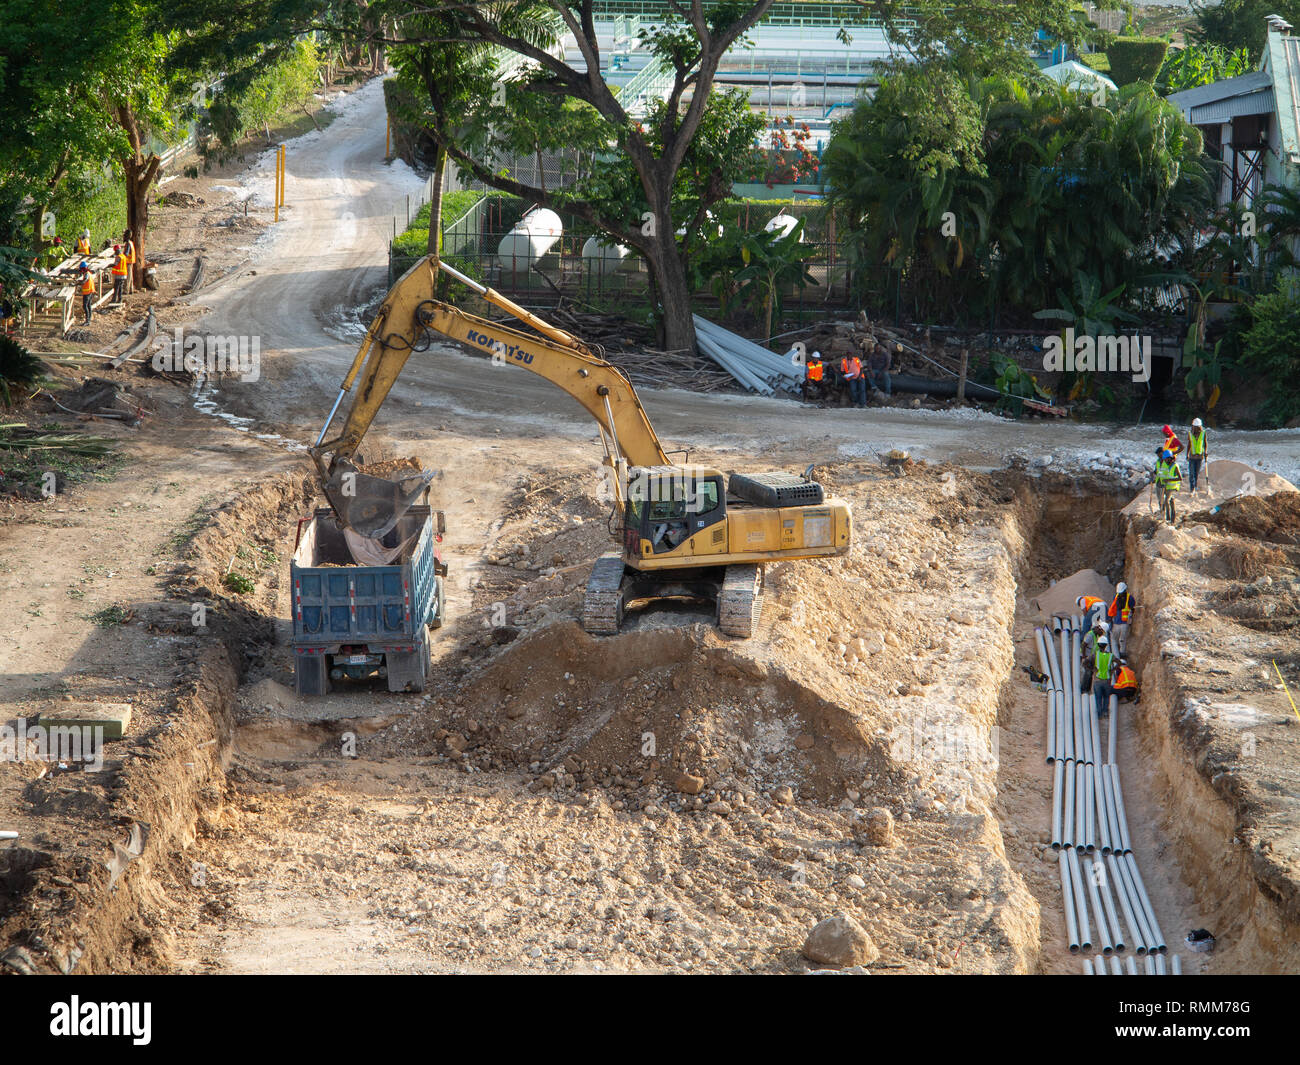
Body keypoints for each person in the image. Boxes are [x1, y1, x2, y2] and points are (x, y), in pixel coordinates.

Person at [1092, 634, 1118, 718]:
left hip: (1097, 680)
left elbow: (1085, 663)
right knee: (1106, 697)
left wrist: (1093, 669)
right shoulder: (1110, 655)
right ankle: (1105, 712)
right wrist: (1112, 670)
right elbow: (1119, 663)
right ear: (1106, 645)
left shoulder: (1095, 655)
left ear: (1098, 645)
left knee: (1098, 698)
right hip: (1107, 680)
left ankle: (1099, 714)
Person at [1154, 448, 1182, 521]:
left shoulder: (1175, 466)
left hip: (1172, 486)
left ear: (1170, 458)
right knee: (1170, 501)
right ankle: (1173, 517)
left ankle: (1168, 518)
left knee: (1166, 501)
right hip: (1166, 485)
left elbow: (1180, 478)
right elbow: (1162, 473)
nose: (1165, 461)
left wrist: (1168, 480)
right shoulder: (1166, 464)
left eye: (1166, 459)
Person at [1108, 581, 1134, 655]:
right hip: (1118, 622)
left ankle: (1121, 653)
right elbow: (1113, 608)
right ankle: (1116, 653)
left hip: (1123, 622)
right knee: (1116, 639)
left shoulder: (1129, 598)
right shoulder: (1117, 597)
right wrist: (1110, 617)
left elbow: (1131, 607)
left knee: (1121, 640)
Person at [1187, 418, 1208, 494]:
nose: (1195, 428)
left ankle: (1195, 485)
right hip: (1192, 456)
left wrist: (1205, 452)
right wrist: (1187, 454)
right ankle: (1191, 488)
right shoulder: (1190, 433)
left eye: (1197, 427)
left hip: (1199, 457)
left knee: (1196, 473)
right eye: (1194, 427)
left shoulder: (1203, 433)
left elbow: (1205, 443)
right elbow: (1189, 444)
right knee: (1191, 473)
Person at [121, 230, 136, 294]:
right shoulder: (131, 242)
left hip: (128, 262)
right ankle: (131, 289)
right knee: (130, 276)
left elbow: (126, 254)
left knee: (128, 276)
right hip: (131, 261)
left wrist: (120, 255)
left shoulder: (128, 244)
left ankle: (126, 290)